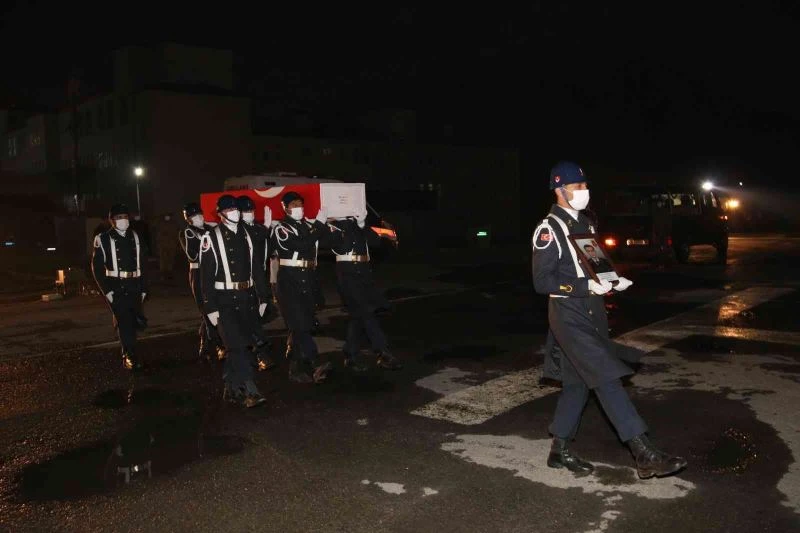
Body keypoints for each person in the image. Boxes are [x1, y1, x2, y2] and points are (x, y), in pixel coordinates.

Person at [532, 161, 687, 479]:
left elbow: (597, 263)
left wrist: (614, 279)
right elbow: (542, 281)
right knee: (606, 379)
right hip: (568, 313)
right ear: (559, 191)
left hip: (591, 312)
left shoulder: (584, 224)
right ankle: (643, 453)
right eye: (577, 188)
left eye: (585, 187)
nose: (583, 193)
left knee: (577, 385)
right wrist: (584, 286)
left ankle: (559, 451)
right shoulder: (549, 229)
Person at [199, 194, 271, 408]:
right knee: (237, 346)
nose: (235, 213)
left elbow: (257, 269)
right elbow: (205, 276)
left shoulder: (247, 233)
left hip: (247, 297)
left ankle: (230, 388)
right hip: (224, 301)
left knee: (239, 345)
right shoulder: (211, 237)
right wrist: (209, 306)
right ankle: (250, 389)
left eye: (236, 209)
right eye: (230, 210)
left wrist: (263, 296)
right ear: (220, 214)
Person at [327, 209, 402, 371]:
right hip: (348, 273)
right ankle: (382, 352)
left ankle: (350, 353)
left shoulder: (358, 223)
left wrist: (361, 225)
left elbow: (374, 242)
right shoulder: (334, 225)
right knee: (366, 312)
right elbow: (341, 247)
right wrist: (350, 225)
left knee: (358, 316)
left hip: (363, 272)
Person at [270, 191, 333, 384]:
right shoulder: (281, 228)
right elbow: (302, 245)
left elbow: (320, 243)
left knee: (301, 325)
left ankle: (295, 369)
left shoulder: (306, 226)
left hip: (307, 278)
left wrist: (329, 225)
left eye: (300, 203)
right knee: (300, 325)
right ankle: (315, 363)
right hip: (290, 281)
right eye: (294, 204)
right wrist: (319, 225)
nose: (299, 207)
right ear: (286, 207)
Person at [92, 203, 148, 371]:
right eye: (118, 218)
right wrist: (107, 291)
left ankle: (130, 351)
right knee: (124, 321)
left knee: (134, 320)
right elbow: (97, 269)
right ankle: (129, 355)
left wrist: (144, 287)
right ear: (112, 221)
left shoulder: (136, 236)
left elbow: (143, 264)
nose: (122, 220)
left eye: (125, 217)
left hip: (134, 284)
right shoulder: (102, 239)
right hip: (116, 285)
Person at [179, 202, 225, 363]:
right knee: (206, 308)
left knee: (214, 307)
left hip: (214, 271)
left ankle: (205, 345)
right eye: (192, 216)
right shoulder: (188, 232)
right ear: (188, 219)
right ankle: (219, 344)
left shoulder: (210, 229)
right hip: (198, 272)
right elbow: (192, 255)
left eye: (198, 213)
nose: (197, 217)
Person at [237, 195, 277, 371]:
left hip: (260, 276)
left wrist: (271, 230)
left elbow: (266, 248)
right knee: (250, 319)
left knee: (256, 318)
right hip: (246, 280)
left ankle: (255, 351)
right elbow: (253, 239)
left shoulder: (258, 228)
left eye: (251, 210)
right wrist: (266, 228)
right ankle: (260, 353)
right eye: (246, 211)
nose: (250, 214)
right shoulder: (239, 229)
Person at [155, 213, 180, 281]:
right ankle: (163, 274)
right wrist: (158, 244)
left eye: (168, 215)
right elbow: (158, 235)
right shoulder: (161, 224)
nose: (167, 217)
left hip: (171, 245)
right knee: (163, 260)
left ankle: (169, 274)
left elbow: (177, 234)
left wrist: (176, 243)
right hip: (163, 245)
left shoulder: (174, 224)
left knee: (170, 260)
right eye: (166, 215)